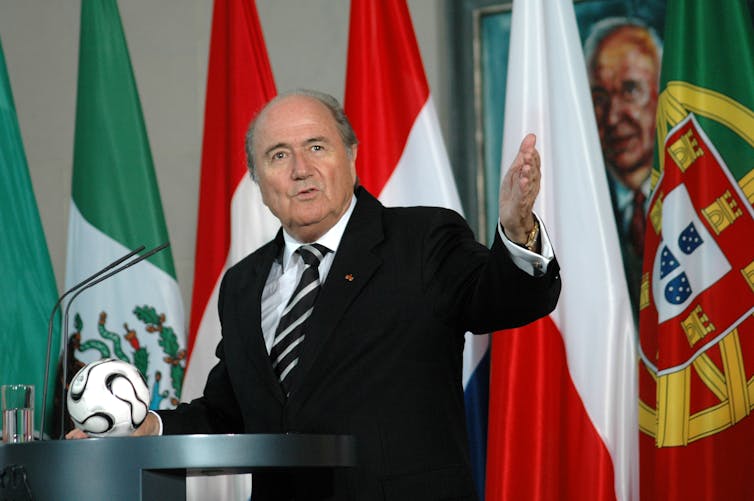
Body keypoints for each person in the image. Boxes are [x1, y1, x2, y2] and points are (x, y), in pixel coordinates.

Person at [69, 89, 561, 500]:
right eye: (278, 155)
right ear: (258, 180)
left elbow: (504, 297)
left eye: (317, 147)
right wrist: (146, 428)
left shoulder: (422, 237)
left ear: (351, 156)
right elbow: (229, 408)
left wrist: (517, 231)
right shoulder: (242, 283)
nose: (300, 168)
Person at [585, 18, 662, 316]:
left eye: (630, 90)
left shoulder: (704, 196)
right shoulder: (575, 210)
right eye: (599, 99)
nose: (613, 117)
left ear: (663, 94)